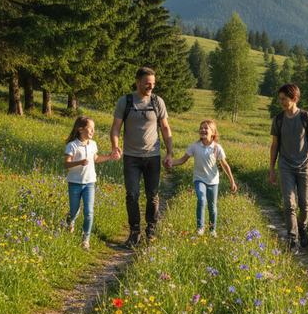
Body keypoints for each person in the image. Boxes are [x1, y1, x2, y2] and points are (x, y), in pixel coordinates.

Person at [110, 67, 173, 247]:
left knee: (152, 195)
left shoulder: (158, 102)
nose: (150, 87)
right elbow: (116, 127)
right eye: (147, 84)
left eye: (153, 84)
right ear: (137, 82)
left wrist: (169, 152)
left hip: (153, 156)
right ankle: (134, 232)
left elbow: (165, 128)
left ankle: (151, 229)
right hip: (131, 157)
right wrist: (115, 146)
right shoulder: (125, 102)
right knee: (132, 195)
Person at [269, 83, 308, 250]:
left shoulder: (306, 117)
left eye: (283, 99)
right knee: (289, 204)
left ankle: (303, 227)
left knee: (305, 204)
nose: (281, 102)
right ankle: (292, 238)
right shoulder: (278, 119)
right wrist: (271, 169)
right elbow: (274, 145)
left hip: (305, 166)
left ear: (294, 99)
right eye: (279, 99)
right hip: (285, 166)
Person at [168, 120, 237, 237]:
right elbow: (183, 160)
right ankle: (200, 228)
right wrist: (171, 163)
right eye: (201, 128)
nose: (203, 130)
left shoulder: (217, 148)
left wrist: (232, 181)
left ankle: (212, 230)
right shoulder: (194, 146)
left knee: (212, 207)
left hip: (213, 181)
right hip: (199, 179)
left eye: (206, 128)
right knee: (201, 199)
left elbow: (224, 164)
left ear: (213, 132)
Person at [64, 116, 117, 251]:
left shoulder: (93, 144)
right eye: (90, 129)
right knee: (74, 211)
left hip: (90, 183)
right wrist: (79, 162)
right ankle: (69, 223)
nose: (93, 131)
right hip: (75, 183)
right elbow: (66, 164)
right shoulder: (72, 145)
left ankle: (85, 239)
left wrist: (110, 156)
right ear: (81, 129)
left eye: (94, 129)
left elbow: (96, 159)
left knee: (89, 212)